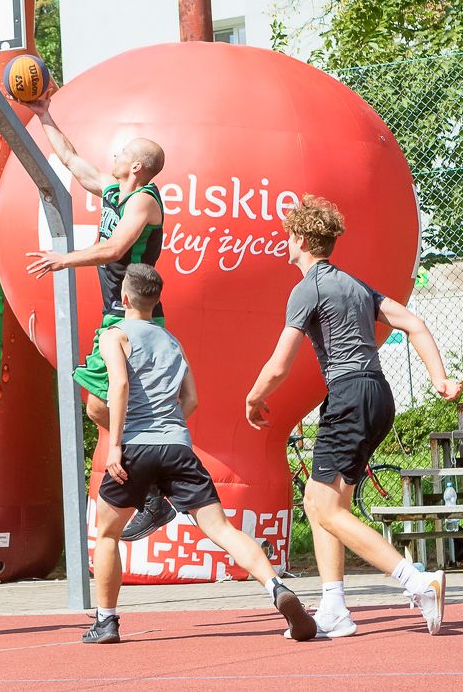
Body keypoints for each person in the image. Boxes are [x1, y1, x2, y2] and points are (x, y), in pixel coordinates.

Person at [246, 195, 463, 637]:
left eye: (288, 236)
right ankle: (334, 608)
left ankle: (416, 582)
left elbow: (280, 365)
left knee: (323, 505)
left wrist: (254, 397)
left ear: (301, 239)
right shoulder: (356, 286)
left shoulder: (308, 288)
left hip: (348, 396)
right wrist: (439, 378)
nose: (285, 242)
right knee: (323, 502)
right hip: (377, 394)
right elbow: (414, 323)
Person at [86, 264, 316, 644]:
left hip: (135, 446)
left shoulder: (114, 335)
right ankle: (276, 587)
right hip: (177, 445)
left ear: (124, 298)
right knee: (222, 529)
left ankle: (106, 622)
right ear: (156, 300)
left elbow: (119, 385)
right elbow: (191, 399)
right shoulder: (172, 342)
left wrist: (115, 445)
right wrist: (171, 428)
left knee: (108, 534)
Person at [23, 93, 176, 542]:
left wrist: (63, 259)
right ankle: (154, 485)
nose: (114, 155)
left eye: (122, 153)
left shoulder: (144, 202)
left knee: (110, 405)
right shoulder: (114, 190)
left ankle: (155, 487)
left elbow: (114, 249)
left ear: (137, 167)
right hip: (116, 316)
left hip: (138, 321)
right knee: (96, 405)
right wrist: (44, 115)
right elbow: (71, 160)